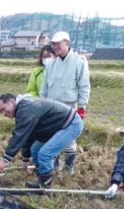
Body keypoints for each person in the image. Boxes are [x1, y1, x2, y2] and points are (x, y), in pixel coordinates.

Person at [0, 93, 84, 188]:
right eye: (1, 112)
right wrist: (25, 158)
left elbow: (18, 136)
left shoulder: (26, 109)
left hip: (70, 124)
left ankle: (45, 186)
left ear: (12, 102)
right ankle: (42, 178)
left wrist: (5, 160)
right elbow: (27, 135)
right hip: (56, 126)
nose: (3, 114)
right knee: (35, 149)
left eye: (3, 109)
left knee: (45, 153)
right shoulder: (23, 109)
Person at [40, 31, 90, 175]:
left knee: (69, 138)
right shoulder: (51, 64)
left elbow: (84, 86)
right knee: (53, 135)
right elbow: (44, 87)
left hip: (69, 106)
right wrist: (42, 104)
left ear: (66, 43)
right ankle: (55, 163)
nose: (55, 46)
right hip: (51, 106)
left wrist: (82, 107)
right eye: (53, 44)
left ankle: (69, 167)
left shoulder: (79, 62)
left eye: (58, 44)